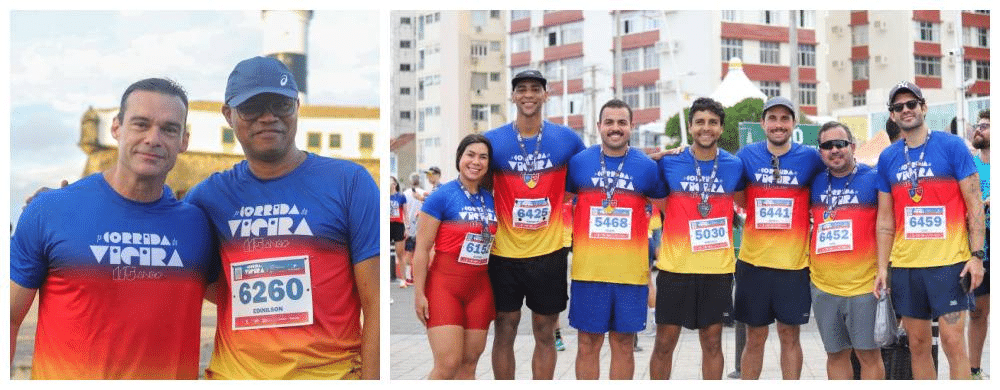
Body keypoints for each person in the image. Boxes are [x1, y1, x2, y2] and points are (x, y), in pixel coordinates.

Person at [185, 56, 380, 379]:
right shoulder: (207, 198)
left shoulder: (349, 183)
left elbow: (375, 303)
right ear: (228, 114)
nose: (268, 117)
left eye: (281, 105)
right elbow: (191, 283)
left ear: (297, 107)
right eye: (252, 107)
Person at [10, 78, 218, 379]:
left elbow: (238, 302)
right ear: (117, 128)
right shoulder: (50, 211)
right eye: (140, 124)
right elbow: (11, 319)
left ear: (183, 141)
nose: (153, 138)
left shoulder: (198, 226)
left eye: (169, 129)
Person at [873, 81, 985, 380]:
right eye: (899, 107)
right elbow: (885, 220)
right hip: (907, 267)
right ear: (893, 116)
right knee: (918, 345)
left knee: (952, 343)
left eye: (912, 104)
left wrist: (977, 256)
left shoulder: (951, 146)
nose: (906, 110)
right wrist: (883, 268)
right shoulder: (888, 158)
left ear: (923, 107)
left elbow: (974, 202)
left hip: (950, 265)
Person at [483, 69, 585, 379]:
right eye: (522, 89)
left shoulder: (566, 139)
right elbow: (479, 186)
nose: (528, 95)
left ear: (545, 95)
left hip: (549, 253)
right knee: (504, 330)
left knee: (545, 332)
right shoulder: (493, 140)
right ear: (513, 96)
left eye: (535, 89)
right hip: (503, 254)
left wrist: (653, 156)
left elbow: (592, 173)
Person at [565, 99, 666, 379]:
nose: (615, 128)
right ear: (599, 126)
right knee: (588, 343)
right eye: (609, 122)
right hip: (589, 273)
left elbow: (670, 207)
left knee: (623, 344)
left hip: (630, 275)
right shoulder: (579, 163)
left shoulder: (646, 166)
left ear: (631, 127)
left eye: (622, 122)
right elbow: (559, 201)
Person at [649, 97, 744, 379]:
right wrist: (658, 154)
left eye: (712, 123)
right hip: (675, 268)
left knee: (713, 342)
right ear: (690, 127)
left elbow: (746, 200)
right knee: (664, 343)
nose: (706, 128)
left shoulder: (734, 165)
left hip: (716, 269)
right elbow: (640, 166)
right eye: (700, 122)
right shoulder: (670, 162)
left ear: (721, 128)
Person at [734, 96, 823, 379]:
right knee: (755, 337)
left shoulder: (810, 157)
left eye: (785, 119)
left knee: (789, 336)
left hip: (793, 266)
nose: (778, 124)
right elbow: (738, 197)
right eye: (772, 118)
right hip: (754, 264)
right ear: (762, 123)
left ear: (794, 123)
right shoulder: (746, 155)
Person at [412, 134, 498, 379]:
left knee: (469, 365)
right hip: (444, 288)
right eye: (470, 155)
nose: (476, 162)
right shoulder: (442, 196)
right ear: (459, 158)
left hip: (479, 289)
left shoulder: (490, 198)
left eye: (483, 157)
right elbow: (421, 249)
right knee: (448, 364)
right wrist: (419, 294)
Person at [808, 122, 884, 379]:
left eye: (840, 144)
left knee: (868, 355)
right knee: (836, 355)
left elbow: (888, 226)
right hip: (824, 286)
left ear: (852, 146)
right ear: (820, 152)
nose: (834, 150)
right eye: (827, 146)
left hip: (864, 287)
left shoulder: (873, 178)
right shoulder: (815, 182)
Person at [968, 109, 990, 380]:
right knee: (978, 313)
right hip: (980, 244)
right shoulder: (970, 165)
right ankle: (973, 370)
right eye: (978, 125)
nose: (979, 129)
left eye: (985, 125)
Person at [401, 173, 428, 287]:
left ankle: (408, 277)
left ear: (411, 181)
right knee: (422, 252)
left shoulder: (404, 194)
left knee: (409, 252)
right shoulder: (424, 193)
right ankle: (420, 277)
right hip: (422, 225)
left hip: (409, 226)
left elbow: (402, 210)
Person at [390, 176, 409, 287]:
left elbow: (405, 213)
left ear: (394, 184)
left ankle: (403, 279)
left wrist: (406, 227)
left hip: (398, 225)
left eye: (390, 181)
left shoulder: (401, 197)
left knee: (400, 253)